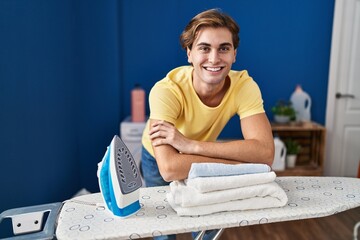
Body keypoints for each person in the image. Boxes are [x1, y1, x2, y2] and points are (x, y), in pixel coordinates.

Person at [140, 8, 274, 240]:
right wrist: (236, 164)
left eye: (224, 48)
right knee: (164, 229)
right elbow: (170, 168)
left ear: (234, 54)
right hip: (157, 158)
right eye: (204, 48)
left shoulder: (244, 86)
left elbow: (264, 154)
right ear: (189, 53)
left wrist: (192, 146)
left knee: (207, 220)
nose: (214, 59)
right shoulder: (166, 91)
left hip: (197, 149)